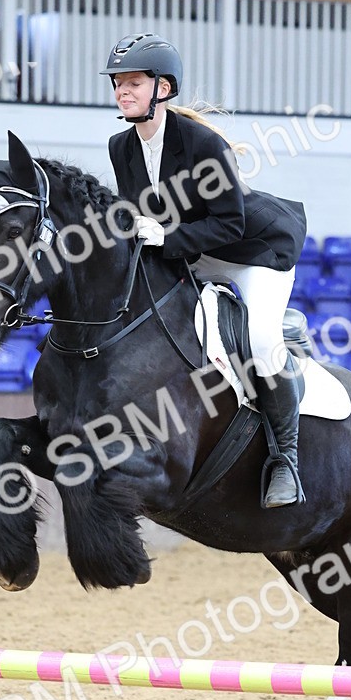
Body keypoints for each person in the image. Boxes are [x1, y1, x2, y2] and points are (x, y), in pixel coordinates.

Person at [101, 33, 307, 507]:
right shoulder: (122, 147)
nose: (122, 92)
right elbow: (140, 214)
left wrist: (165, 238)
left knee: (258, 344)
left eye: (133, 83)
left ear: (164, 89)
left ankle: (286, 458)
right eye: (118, 84)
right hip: (194, 253)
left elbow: (229, 223)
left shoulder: (203, 144)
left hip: (253, 255)